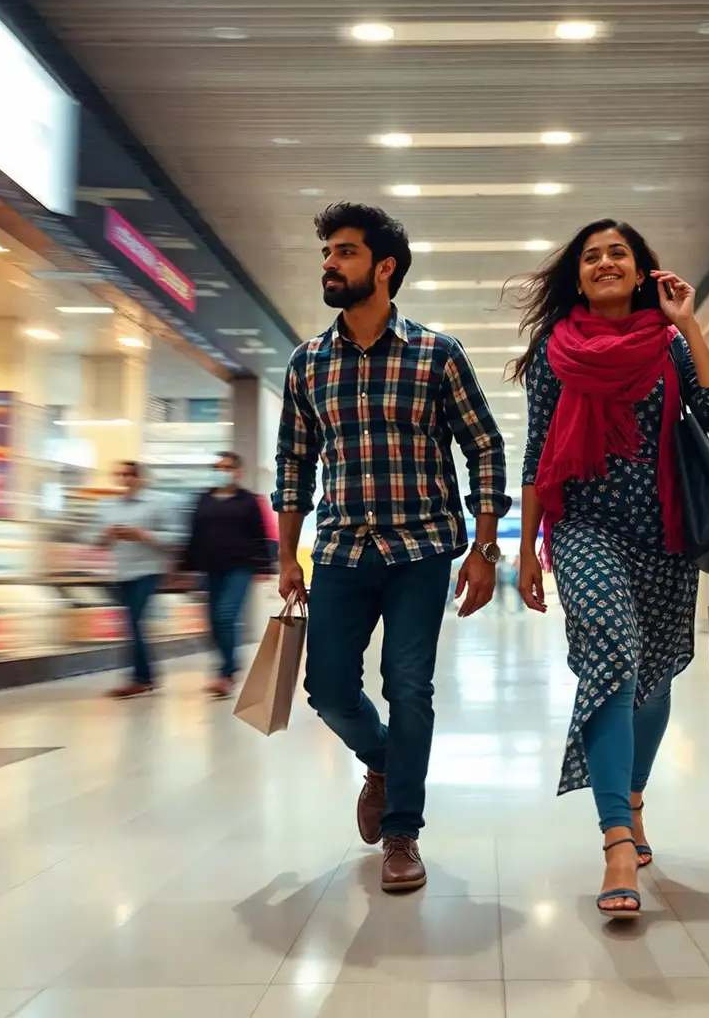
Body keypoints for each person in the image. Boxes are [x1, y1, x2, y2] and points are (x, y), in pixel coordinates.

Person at [274, 202, 510, 893]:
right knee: (327, 690)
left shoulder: (437, 354)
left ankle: (402, 830)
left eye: (344, 252)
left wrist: (485, 549)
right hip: (340, 551)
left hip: (421, 549)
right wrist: (286, 555)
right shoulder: (308, 362)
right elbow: (293, 462)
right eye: (326, 253)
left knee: (409, 687)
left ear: (384, 268)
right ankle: (382, 761)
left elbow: (484, 446)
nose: (329, 264)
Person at [513, 220, 709, 918]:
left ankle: (634, 798)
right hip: (583, 529)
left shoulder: (670, 344)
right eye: (592, 256)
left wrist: (689, 323)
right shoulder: (554, 352)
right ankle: (616, 837)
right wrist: (526, 551)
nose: (605, 262)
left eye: (619, 253)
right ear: (579, 277)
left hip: (666, 534)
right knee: (613, 655)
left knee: (655, 674)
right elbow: (536, 456)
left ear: (642, 272)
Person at [182, 451, 271, 698]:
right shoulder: (203, 499)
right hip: (210, 568)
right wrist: (184, 568)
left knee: (226, 615)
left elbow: (259, 534)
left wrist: (264, 566)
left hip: (239, 567)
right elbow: (193, 534)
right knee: (213, 622)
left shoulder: (248, 500)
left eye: (228, 467)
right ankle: (227, 665)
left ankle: (227, 672)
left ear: (238, 472)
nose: (223, 472)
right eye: (218, 467)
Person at [101, 461, 177, 698]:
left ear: (141, 478)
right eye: (121, 474)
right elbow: (95, 539)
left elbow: (175, 537)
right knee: (132, 624)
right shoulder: (109, 506)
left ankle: (141, 677)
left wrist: (143, 535)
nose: (125, 479)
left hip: (148, 570)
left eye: (130, 474)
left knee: (134, 621)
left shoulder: (158, 503)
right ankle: (145, 675)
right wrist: (107, 536)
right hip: (121, 571)